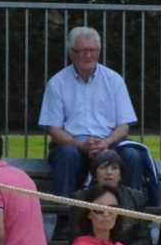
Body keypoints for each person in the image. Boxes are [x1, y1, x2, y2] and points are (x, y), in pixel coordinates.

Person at [38, 26, 154, 201]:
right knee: (67, 155)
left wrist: (106, 143)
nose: (88, 56)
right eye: (83, 51)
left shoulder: (114, 80)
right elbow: (53, 128)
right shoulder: (57, 83)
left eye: (92, 50)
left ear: (99, 52)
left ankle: (132, 218)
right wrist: (79, 145)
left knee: (132, 156)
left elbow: (124, 126)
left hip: (109, 142)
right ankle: (64, 220)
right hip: (72, 144)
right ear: (71, 53)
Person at [83, 150, 152, 245]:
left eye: (114, 168)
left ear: (120, 174)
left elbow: (144, 239)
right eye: (103, 168)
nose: (109, 172)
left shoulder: (136, 197)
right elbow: (76, 236)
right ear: (95, 173)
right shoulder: (81, 198)